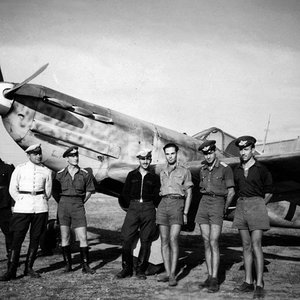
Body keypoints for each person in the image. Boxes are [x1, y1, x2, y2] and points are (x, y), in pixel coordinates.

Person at [0, 144, 52, 281]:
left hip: (40, 207)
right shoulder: (20, 169)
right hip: (22, 208)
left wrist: (39, 200)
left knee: (36, 238)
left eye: (39, 153)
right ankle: (11, 271)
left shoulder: (46, 171)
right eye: (35, 154)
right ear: (28, 155)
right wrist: (22, 200)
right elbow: (12, 189)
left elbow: (48, 192)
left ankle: (29, 268)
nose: (38, 156)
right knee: (17, 239)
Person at [232, 136, 273, 299]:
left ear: (252, 149)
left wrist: (260, 205)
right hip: (241, 207)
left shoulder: (262, 169)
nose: (243, 152)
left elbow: (269, 191)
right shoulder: (237, 170)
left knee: (256, 245)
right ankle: (248, 282)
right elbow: (234, 190)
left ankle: (259, 284)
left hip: (257, 205)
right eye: (241, 150)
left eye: (246, 149)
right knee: (245, 245)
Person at [196, 140, 235, 292]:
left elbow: (231, 192)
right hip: (204, 203)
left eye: (211, 152)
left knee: (214, 241)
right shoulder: (203, 169)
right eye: (206, 153)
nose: (209, 156)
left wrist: (224, 208)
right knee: (206, 241)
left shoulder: (225, 169)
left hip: (218, 203)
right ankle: (209, 276)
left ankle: (215, 279)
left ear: (215, 151)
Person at [115, 149, 160, 280]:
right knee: (126, 237)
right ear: (138, 160)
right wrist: (132, 205)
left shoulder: (154, 178)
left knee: (146, 239)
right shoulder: (131, 175)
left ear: (150, 160)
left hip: (149, 208)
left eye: (147, 159)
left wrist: (150, 205)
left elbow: (157, 195)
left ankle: (140, 269)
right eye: (142, 159)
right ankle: (126, 268)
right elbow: (125, 193)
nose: (145, 161)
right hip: (133, 207)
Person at [53, 146, 95, 274]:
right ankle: (68, 265)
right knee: (65, 236)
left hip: (78, 205)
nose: (75, 158)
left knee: (83, 237)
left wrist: (81, 202)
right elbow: (55, 191)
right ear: (67, 158)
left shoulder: (85, 174)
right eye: (72, 156)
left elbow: (89, 191)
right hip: (63, 205)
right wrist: (61, 202)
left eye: (76, 155)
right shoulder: (59, 174)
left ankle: (85, 266)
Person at [156, 143, 193, 287]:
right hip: (163, 205)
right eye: (167, 154)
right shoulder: (162, 172)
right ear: (165, 155)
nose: (170, 156)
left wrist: (185, 212)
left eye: (172, 153)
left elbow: (189, 194)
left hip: (177, 205)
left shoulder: (185, 171)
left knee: (173, 239)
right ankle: (167, 272)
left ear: (177, 154)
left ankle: (173, 274)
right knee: (164, 240)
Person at [0, 158, 14, 258]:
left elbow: (13, 186)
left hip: (4, 204)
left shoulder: (7, 167)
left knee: (8, 231)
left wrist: (13, 204)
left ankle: (11, 255)